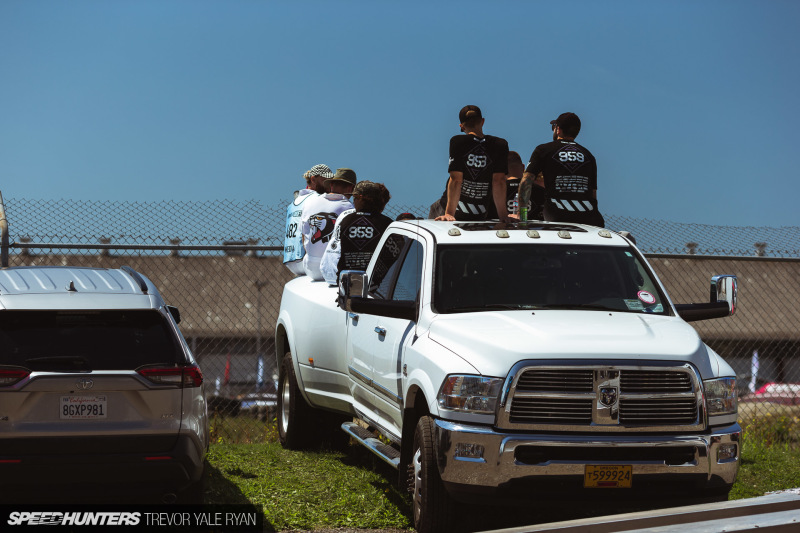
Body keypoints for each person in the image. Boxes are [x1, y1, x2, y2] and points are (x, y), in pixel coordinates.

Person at [519, 112, 604, 227]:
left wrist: (522, 217)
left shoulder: (543, 150)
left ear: (558, 129)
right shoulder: (589, 156)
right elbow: (593, 194)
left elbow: (526, 181)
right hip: (589, 219)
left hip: (557, 216)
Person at [435, 105, 512, 223]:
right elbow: (499, 181)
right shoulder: (499, 144)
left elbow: (456, 180)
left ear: (461, 126)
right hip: (482, 210)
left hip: (455, 210)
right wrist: (503, 216)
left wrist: (449, 213)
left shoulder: (458, 141)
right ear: (482, 121)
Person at [321, 181, 392, 285]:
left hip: (348, 282)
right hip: (376, 284)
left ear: (363, 199)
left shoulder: (346, 220)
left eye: (355, 198)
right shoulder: (387, 223)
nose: (353, 202)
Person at [300, 168, 356, 280]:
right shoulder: (350, 208)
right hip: (334, 270)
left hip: (310, 268)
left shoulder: (309, 203)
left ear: (331, 185)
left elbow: (303, 237)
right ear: (350, 188)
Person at [283, 165, 334, 275]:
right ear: (313, 179)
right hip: (305, 261)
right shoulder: (317, 199)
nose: (329, 185)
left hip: (290, 260)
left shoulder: (293, 204)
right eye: (325, 180)